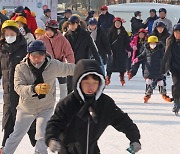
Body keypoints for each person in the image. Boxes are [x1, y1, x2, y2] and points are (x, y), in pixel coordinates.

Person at [45, 59, 141, 154]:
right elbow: (55, 123)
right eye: (86, 83)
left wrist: (134, 138)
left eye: (94, 83)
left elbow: (122, 121)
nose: (90, 87)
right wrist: (51, 138)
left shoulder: (104, 103)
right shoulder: (68, 103)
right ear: (78, 82)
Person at [1, 40, 75, 154]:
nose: (37, 59)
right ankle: (6, 152)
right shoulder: (21, 68)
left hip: (46, 106)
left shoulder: (53, 65)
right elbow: (18, 87)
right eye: (34, 56)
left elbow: (69, 68)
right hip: (26, 108)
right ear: (28, 55)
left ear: (45, 55)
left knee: (42, 135)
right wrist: (34, 89)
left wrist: (85, 69)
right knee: (16, 135)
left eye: (40, 56)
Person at [0, 20, 36, 148]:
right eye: (7, 33)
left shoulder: (25, 48)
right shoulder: (2, 49)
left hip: (23, 96)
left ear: (17, 33)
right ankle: (4, 150)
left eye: (11, 33)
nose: (9, 36)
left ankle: (40, 149)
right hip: (8, 96)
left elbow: (33, 69)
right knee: (8, 127)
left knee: (31, 128)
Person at [38, 19, 75, 101]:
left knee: (63, 86)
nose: (49, 32)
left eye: (51, 30)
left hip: (59, 64)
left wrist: (71, 66)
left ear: (55, 30)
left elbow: (69, 53)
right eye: (47, 30)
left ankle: (63, 102)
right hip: (46, 65)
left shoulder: (62, 39)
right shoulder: (42, 39)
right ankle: (46, 102)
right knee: (47, 86)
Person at [65, 15, 101, 93]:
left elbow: (93, 48)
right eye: (69, 24)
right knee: (69, 85)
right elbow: (63, 48)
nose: (71, 26)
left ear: (77, 24)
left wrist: (98, 61)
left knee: (81, 83)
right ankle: (70, 102)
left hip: (82, 62)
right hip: (70, 62)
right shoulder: (67, 35)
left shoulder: (85, 34)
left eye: (72, 24)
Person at [133, 36, 172, 103]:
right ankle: (147, 95)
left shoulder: (160, 50)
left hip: (158, 69)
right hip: (149, 70)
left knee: (161, 82)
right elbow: (142, 55)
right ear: (149, 43)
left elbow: (164, 58)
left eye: (154, 43)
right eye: (151, 43)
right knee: (148, 81)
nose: (153, 44)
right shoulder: (146, 49)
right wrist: (137, 59)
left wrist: (166, 66)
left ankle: (164, 94)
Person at [106, 17, 132, 86]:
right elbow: (107, 41)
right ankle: (108, 77)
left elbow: (127, 41)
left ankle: (122, 77)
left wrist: (129, 49)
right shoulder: (110, 31)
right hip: (112, 51)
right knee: (110, 65)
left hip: (121, 51)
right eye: (116, 23)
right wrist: (108, 50)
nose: (117, 24)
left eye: (119, 23)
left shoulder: (124, 31)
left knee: (122, 65)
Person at [161, 23, 180, 115]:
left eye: (179, 32)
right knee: (176, 85)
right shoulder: (170, 41)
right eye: (176, 32)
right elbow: (166, 55)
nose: (177, 34)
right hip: (175, 68)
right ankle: (176, 102)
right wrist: (163, 68)